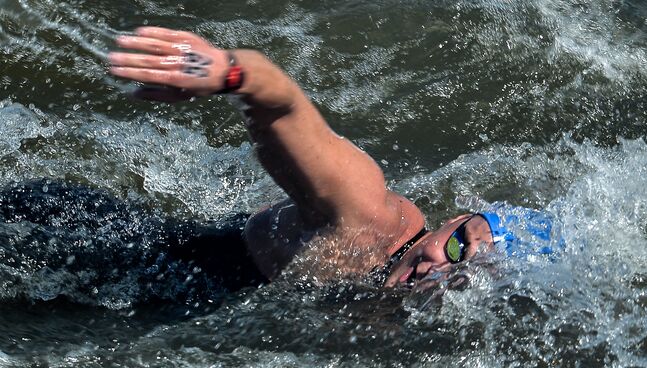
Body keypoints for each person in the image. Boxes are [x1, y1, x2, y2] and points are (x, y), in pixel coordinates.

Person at [108, 27, 547, 289]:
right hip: (110, 254)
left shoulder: (400, 302)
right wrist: (228, 73)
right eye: (458, 247)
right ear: (455, 220)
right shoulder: (370, 219)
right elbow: (283, 105)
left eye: (464, 281)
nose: (439, 272)